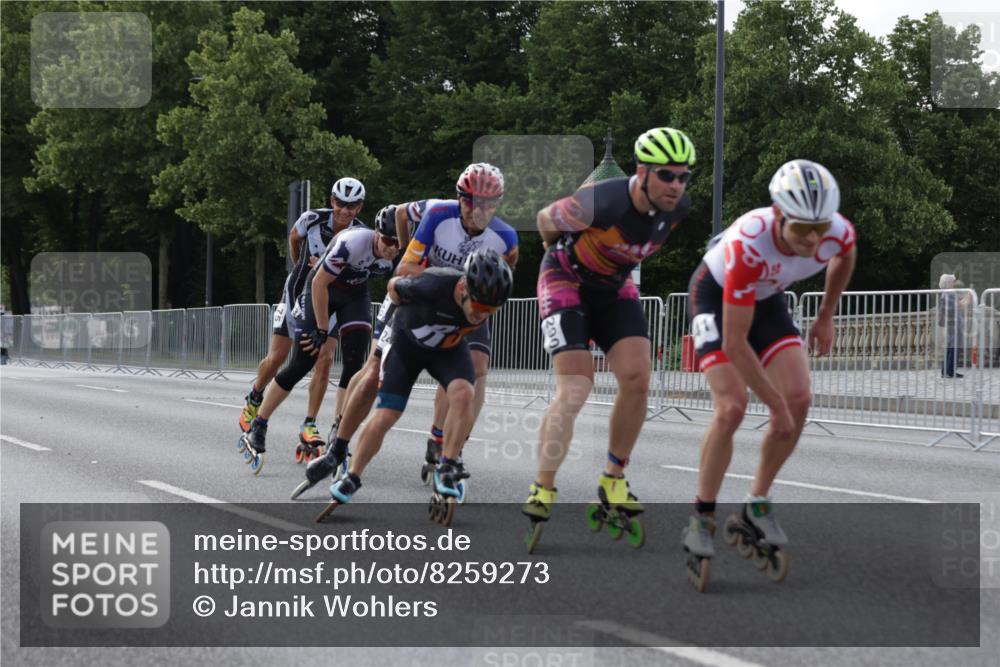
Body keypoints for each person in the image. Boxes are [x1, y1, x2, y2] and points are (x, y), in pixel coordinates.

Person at [680, 159, 857, 592]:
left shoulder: (836, 231)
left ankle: (755, 504)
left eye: (820, 227)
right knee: (732, 407)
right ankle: (702, 515)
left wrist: (826, 314)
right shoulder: (749, 243)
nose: (813, 239)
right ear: (778, 214)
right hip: (715, 295)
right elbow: (735, 343)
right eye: (802, 228)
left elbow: (845, 256)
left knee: (799, 398)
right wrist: (772, 405)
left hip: (767, 298)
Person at [521, 127, 695, 551]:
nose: (675, 185)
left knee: (638, 378)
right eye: (666, 175)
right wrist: (557, 248)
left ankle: (613, 479)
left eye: (683, 176)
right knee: (576, 387)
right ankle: (543, 486)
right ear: (642, 172)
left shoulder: (679, 209)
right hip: (565, 280)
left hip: (614, 287)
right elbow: (545, 219)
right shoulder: (603, 201)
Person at [297, 164, 517, 498]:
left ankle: (446, 446)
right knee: (374, 371)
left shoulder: (507, 238)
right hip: (420, 294)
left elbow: (499, 282)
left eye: (490, 205)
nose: (480, 213)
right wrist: (427, 270)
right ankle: (338, 444)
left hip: (466, 305)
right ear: (460, 199)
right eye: (473, 203)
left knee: (476, 370)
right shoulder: (438, 214)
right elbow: (402, 263)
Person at [312, 248, 513, 524]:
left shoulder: (483, 308)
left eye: (492, 310)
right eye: (480, 308)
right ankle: (353, 476)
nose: (482, 315)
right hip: (407, 347)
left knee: (465, 392)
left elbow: (479, 360)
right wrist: (387, 340)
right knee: (386, 415)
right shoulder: (432, 284)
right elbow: (393, 288)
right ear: (463, 288)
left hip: (447, 352)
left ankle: (448, 465)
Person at [238, 216, 400, 474]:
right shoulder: (353, 242)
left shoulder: (399, 254)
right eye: (388, 241)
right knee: (302, 362)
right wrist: (322, 329)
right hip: (320, 290)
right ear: (377, 234)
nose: (392, 248)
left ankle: (339, 430)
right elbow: (318, 283)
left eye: (398, 243)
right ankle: (259, 424)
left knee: (355, 362)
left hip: (354, 297)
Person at [239, 177, 367, 460]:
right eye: (340, 204)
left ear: (359, 207)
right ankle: (256, 395)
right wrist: (299, 266)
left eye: (352, 206)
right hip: (297, 293)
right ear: (332, 201)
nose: (345, 211)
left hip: (328, 300)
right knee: (277, 358)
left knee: (324, 358)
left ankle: (309, 423)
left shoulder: (360, 234)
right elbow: (294, 238)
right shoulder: (311, 219)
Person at [938, 274, 969, 378]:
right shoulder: (948, 294)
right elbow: (959, 305)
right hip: (954, 325)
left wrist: (964, 300)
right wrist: (967, 299)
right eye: (952, 281)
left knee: (950, 347)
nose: (954, 283)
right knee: (954, 347)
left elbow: (957, 306)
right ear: (948, 283)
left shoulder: (946, 293)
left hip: (952, 324)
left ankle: (946, 371)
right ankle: (949, 372)